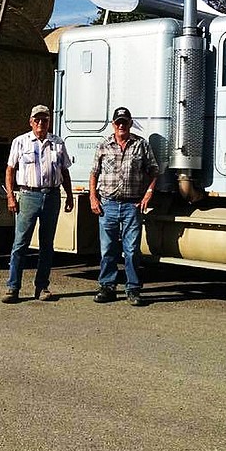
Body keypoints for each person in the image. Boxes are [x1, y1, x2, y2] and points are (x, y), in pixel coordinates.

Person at [2, 104, 74, 303]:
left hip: (52, 196)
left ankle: (42, 286)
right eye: (37, 120)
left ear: (49, 121)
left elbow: (64, 171)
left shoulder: (58, 143)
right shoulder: (20, 142)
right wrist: (10, 196)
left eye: (45, 119)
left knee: (47, 245)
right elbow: (10, 170)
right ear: (31, 122)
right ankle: (12, 287)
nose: (41, 123)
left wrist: (68, 195)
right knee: (20, 244)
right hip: (28, 196)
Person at [89, 106, 159, 306]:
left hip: (132, 205)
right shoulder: (104, 145)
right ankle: (107, 286)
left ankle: (133, 289)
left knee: (131, 249)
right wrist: (93, 198)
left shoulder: (141, 145)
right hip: (107, 204)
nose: (121, 125)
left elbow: (154, 171)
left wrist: (149, 193)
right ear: (113, 124)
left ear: (130, 123)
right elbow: (94, 173)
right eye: (118, 122)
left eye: (125, 122)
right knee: (108, 248)